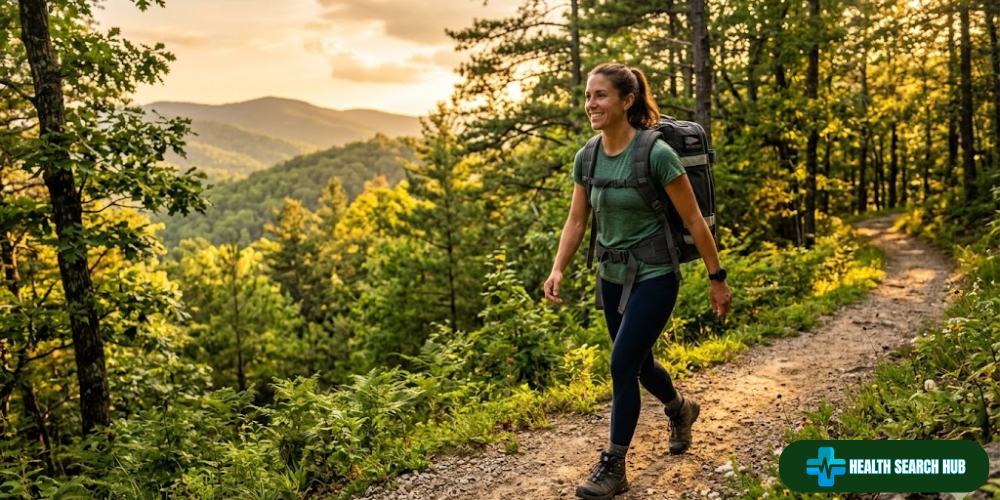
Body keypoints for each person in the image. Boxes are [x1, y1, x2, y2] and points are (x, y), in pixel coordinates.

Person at [543, 62, 733, 500]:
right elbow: (576, 221)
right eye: (588, 95)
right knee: (639, 363)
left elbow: (694, 220)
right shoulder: (587, 156)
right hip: (610, 275)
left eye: (601, 95)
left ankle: (614, 465)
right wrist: (557, 269)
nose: (591, 103)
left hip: (656, 275)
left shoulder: (656, 154)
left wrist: (716, 278)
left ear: (627, 101)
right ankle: (681, 409)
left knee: (621, 364)